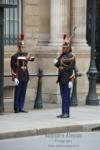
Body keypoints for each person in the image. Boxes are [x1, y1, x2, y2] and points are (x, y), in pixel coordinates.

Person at [54, 34, 75, 118]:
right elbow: (59, 65)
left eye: (65, 47)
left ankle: (67, 113)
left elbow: (71, 68)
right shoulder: (62, 55)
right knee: (63, 96)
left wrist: (71, 80)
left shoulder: (72, 56)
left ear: (68, 47)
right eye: (63, 47)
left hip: (67, 79)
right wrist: (56, 63)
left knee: (66, 96)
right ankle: (63, 112)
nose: (64, 48)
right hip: (61, 78)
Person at [10, 40, 34, 113]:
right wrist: (15, 78)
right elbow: (13, 67)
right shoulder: (14, 56)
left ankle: (21, 107)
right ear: (18, 47)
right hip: (19, 76)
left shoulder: (25, 55)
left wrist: (30, 58)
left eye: (23, 47)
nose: (22, 48)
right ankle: (16, 108)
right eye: (21, 47)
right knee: (18, 92)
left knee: (23, 92)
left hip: (25, 75)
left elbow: (31, 59)